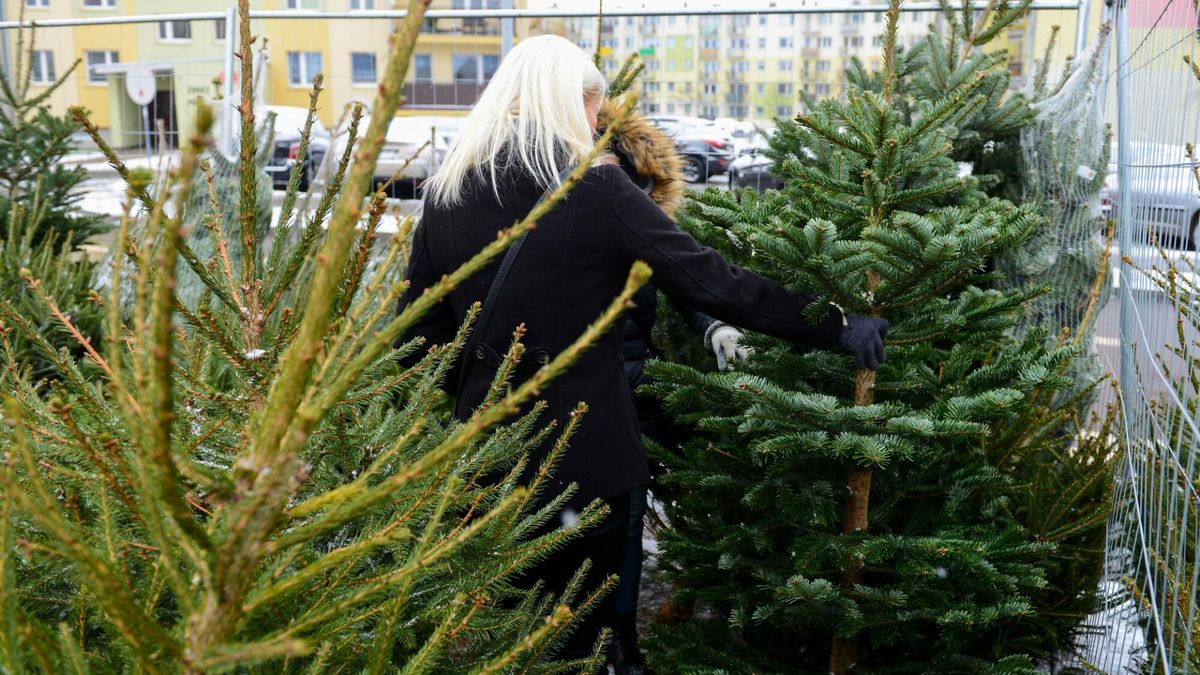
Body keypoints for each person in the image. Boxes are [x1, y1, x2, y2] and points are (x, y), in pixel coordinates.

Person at [396, 34, 888, 668]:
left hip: (487, 458)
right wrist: (835, 325)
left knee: (505, 636)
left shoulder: (446, 192)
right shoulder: (596, 189)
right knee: (583, 635)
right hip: (585, 462)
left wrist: (473, 399)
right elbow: (709, 277)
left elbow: (417, 336)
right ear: (568, 103)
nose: (597, 125)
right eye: (594, 110)